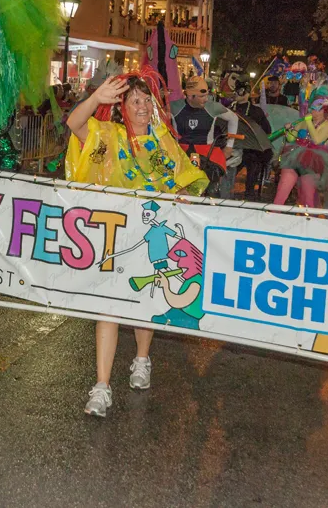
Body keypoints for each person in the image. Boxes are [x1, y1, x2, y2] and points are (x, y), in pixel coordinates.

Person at [65, 71, 208, 417]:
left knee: (145, 304)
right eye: (134, 101)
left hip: (152, 239)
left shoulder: (163, 141)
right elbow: (74, 123)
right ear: (121, 108)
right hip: (114, 239)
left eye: (147, 100)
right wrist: (96, 98)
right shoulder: (107, 135)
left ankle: (142, 359)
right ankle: (102, 386)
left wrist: (183, 197)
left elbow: (184, 180)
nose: (143, 106)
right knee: (109, 306)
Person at [170, 76, 238, 197]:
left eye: (207, 95)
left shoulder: (213, 107)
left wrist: (229, 146)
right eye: (202, 96)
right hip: (180, 153)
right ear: (190, 96)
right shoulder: (174, 107)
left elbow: (234, 118)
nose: (206, 99)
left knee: (210, 189)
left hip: (207, 154)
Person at [273, 95, 328, 207]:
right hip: (294, 157)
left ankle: (307, 216)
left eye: (318, 110)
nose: (314, 113)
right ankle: (273, 213)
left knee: (308, 197)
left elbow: (317, 140)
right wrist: (289, 130)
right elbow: (291, 139)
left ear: (325, 111)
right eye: (312, 109)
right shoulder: (303, 122)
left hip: (313, 162)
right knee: (282, 190)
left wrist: (309, 122)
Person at [230, 81, 273, 201]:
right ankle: (225, 190)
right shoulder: (229, 109)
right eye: (236, 91)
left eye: (240, 91)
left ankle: (249, 193)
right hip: (232, 146)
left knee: (254, 160)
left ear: (247, 93)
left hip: (251, 149)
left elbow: (267, 130)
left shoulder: (256, 111)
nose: (236, 93)